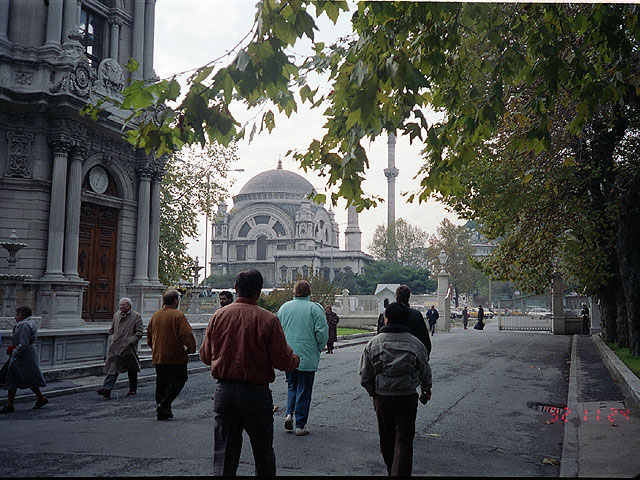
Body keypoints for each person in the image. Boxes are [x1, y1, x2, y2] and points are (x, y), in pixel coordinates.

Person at [199, 269, 300, 476]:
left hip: (225, 392)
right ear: (259, 292)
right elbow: (282, 360)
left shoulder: (218, 316)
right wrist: (296, 359)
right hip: (256, 395)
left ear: (236, 288)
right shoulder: (268, 320)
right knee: (263, 453)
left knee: (225, 455)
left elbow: (206, 356)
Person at [359, 301, 432, 476]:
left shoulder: (373, 344)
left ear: (386, 320)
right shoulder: (415, 344)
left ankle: (391, 467)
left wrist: (373, 392)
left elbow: (365, 375)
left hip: (383, 397)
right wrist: (426, 388)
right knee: (405, 439)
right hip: (407, 396)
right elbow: (425, 371)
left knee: (386, 438)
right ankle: (400, 471)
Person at [277, 280, 329, 436]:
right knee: (304, 389)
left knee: (292, 385)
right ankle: (300, 424)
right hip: (307, 354)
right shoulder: (315, 308)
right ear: (309, 292)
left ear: (294, 291)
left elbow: (278, 330)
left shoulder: (284, 308)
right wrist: (318, 347)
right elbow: (322, 332)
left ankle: (289, 413)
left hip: (289, 354)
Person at [147, 289, 196, 420]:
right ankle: (165, 403)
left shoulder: (155, 315)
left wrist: (155, 348)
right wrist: (191, 349)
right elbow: (186, 334)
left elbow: (149, 336)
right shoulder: (178, 316)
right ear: (175, 301)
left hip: (159, 355)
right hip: (176, 355)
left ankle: (162, 411)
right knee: (180, 378)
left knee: (161, 383)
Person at [1, 306, 48, 414]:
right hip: (25, 354)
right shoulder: (26, 323)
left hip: (23, 355)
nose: (15, 317)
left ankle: (10, 405)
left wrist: (14, 350)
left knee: (13, 377)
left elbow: (24, 343)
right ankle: (40, 398)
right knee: (24, 377)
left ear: (23, 315)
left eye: (17, 314)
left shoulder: (25, 325)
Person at [97, 298, 143, 399]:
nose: (121, 307)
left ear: (129, 306)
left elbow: (139, 333)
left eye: (123, 305)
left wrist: (129, 341)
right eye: (120, 305)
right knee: (113, 368)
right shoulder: (116, 315)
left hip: (128, 348)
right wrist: (112, 338)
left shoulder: (136, 316)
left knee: (131, 368)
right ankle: (107, 389)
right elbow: (112, 330)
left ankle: (132, 388)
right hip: (116, 347)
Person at [395, 285, 431, 358]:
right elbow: (424, 338)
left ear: (396, 296)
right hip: (412, 355)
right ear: (408, 297)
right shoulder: (415, 315)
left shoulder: (385, 315)